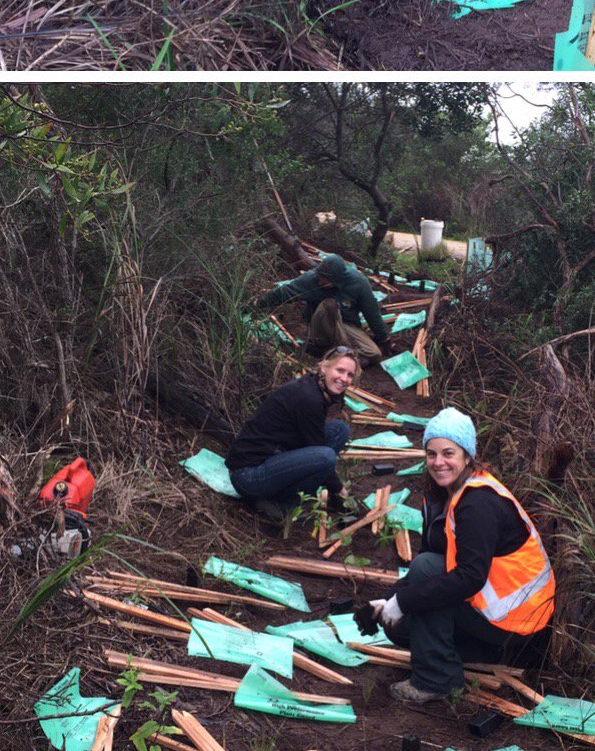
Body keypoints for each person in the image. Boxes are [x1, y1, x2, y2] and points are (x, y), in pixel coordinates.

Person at [374, 408, 556, 711]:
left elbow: (467, 576)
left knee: (425, 574)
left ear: (467, 455)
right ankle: (482, 656)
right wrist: (389, 600)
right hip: (491, 607)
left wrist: (405, 601)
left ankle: (436, 680)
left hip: (516, 619)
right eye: (431, 454)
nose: (438, 462)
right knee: (399, 627)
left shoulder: (478, 501)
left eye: (448, 453)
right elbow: (436, 557)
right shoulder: (441, 493)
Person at [226, 347, 357, 522]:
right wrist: (340, 491)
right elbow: (318, 449)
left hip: (273, 454)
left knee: (339, 430)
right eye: (340, 370)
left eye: (350, 375)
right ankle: (279, 504)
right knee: (325, 456)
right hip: (248, 476)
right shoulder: (309, 398)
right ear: (324, 367)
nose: (344, 379)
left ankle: (290, 494)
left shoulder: (315, 385)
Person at [256, 253, 395, 361]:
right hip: (320, 328)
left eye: (325, 280)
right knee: (329, 305)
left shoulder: (359, 283)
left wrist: (384, 338)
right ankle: (342, 354)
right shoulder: (311, 280)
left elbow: (372, 313)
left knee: (374, 353)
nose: (320, 281)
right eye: (320, 277)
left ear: (338, 280)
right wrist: (258, 304)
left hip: (346, 326)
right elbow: (285, 292)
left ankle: (335, 354)